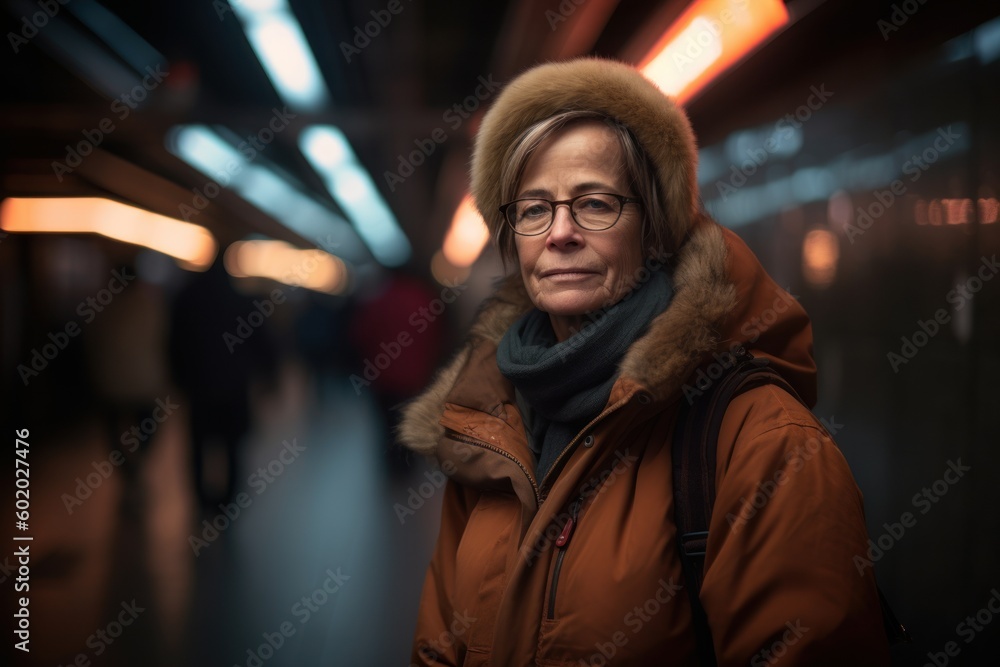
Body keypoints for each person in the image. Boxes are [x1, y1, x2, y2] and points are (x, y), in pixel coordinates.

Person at [400, 58, 890, 666]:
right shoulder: (486, 426)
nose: (560, 233)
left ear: (655, 230)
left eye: (595, 203)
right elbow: (437, 646)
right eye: (533, 209)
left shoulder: (761, 442)